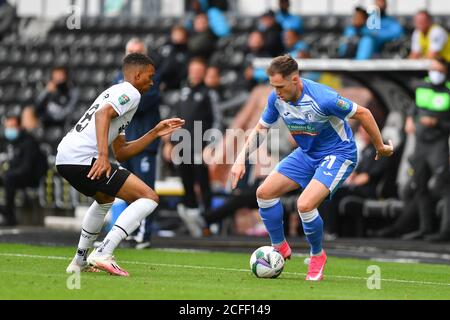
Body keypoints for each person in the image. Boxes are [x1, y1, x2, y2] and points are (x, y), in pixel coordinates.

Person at [230, 55, 393, 281]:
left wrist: (380, 146)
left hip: (338, 154)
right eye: (273, 86)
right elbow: (260, 129)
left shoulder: (323, 98)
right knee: (263, 193)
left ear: (295, 79)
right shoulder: (276, 98)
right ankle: (279, 246)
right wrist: (240, 159)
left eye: (280, 86)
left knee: (304, 205)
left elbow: (363, 113)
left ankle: (317, 255)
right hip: (307, 154)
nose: (276, 91)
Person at [59, 53, 184, 276]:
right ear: (137, 75)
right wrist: (102, 155)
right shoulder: (131, 92)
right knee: (149, 197)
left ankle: (78, 262)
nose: (153, 81)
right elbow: (101, 115)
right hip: (82, 157)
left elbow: (123, 151)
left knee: (105, 198)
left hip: (66, 158)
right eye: (150, 76)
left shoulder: (116, 94)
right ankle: (103, 252)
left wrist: (155, 132)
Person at [110, 38, 162, 249]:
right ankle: (127, 232)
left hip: (144, 143)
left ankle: (144, 234)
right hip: (124, 143)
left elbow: (137, 105)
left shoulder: (151, 79)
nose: (133, 54)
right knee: (125, 189)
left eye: (137, 51)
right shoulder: (119, 79)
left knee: (146, 189)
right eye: (130, 51)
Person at [163, 57, 221, 235]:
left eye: (199, 71)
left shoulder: (208, 94)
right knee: (186, 183)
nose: (195, 73)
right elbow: (173, 120)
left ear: (203, 73)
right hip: (182, 146)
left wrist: (210, 145)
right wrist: (169, 143)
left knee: (203, 184)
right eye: (193, 70)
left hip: (201, 146)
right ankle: (193, 221)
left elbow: (217, 120)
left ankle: (210, 221)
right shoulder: (181, 93)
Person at [400, 57, 450, 241]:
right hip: (421, 144)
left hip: (439, 143)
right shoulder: (422, 87)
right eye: (433, 69)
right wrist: (409, 119)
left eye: (439, 70)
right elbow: (414, 109)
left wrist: (438, 122)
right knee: (419, 186)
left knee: (445, 186)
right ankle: (425, 228)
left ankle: (445, 231)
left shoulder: (448, 90)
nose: (434, 73)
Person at [0, 113, 47, 226]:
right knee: (8, 178)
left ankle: (10, 218)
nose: (9, 130)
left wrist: (8, 174)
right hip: (14, 175)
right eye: (8, 127)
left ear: (20, 127)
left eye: (12, 127)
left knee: (9, 179)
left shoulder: (29, 142)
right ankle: (5, 210)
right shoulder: (8, 142)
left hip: (30, 177)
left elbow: (27, 168)